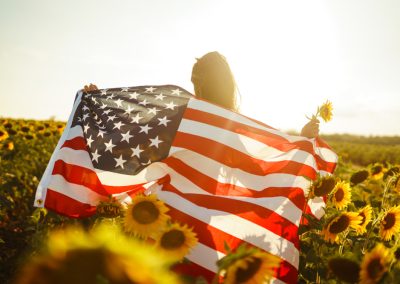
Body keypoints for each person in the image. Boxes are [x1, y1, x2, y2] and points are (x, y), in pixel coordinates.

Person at [84, 51, 319, 138]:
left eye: (198, 80)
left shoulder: (186, 114)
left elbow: (130, 135)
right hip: (193, 220)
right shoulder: (232, 123)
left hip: (180, 220)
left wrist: (99, 108)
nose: (196, 86)